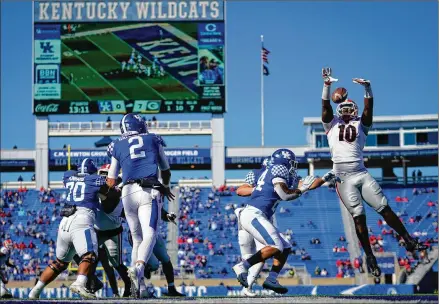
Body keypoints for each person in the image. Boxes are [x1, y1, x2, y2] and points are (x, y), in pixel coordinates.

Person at [320, 67, 427, 277]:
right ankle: (370, 256)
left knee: (384, 208)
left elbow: (369, 111)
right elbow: (325, 108)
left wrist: (368, 88)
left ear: (356, 110)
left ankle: (408, 239)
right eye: (345, 107)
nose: (348, 109)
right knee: (358, 217)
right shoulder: (330, 124)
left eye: (351, 107)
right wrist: (326, 86)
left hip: (361, 173)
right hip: (343, 178)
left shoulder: (362, 124)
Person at [235, 157, 336, 296]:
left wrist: (324, 178)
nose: (291, 167)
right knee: (272, 247)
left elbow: (307, 183)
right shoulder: (263, 174)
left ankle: (270, 280)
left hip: (261, 217)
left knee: (285, 247)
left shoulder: (283, 178)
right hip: (252, 215)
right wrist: (261, 189)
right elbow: (240, 190)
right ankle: (243, 269)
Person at [106, 114, 174, 298]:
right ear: (142, 125)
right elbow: (166, 170)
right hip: (148, 190)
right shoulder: (153, 138)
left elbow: (111, 180)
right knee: (150, 233)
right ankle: (138, 267)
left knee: (137, 239)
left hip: (127, 192)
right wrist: (165, 187)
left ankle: (141, 288)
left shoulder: (117, 145)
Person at [29, 159, 116, 299]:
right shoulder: (95, 178)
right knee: (89, 255)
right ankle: (80, 283)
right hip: (82, 219)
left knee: (60, 263)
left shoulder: (69, 175)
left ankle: (35, 291)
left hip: (65, 222)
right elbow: (108, 189)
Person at [127, 208, 185, 297]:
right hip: (139, 235)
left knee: (165, 259)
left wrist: (167, 216)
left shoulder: (155, 196)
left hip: (153, 233)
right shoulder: (140, 196)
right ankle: (141, 289)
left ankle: (171, 288)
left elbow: (160, 211)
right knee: (153, 265)